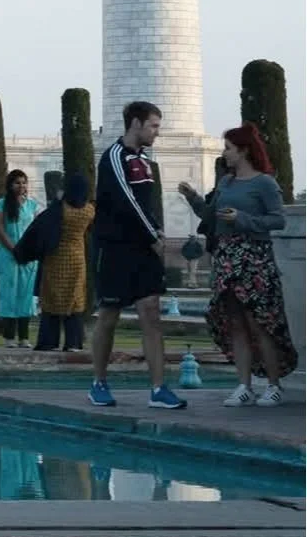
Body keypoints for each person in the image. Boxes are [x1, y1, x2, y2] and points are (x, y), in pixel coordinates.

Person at [177, 124, 297, 406]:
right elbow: (212, 217)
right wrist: (193, 198)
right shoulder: (226, 183)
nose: (225, 154)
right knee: (236, 324)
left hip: (253, 257)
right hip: (227, 257)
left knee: (260, 323)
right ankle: (244, 385)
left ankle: (273, 384)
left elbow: (278, 220)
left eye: (229, 148)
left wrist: (243, 219)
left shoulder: (264, 183)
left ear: (243, 150)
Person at [90, 101, 186, 410]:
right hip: (116, 247)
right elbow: (126, 201)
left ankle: (158, 388)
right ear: (135, 124)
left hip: (143, 247)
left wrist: (157, 231)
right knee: (109, 315)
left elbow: (148, 203)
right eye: (154, 126)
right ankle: (98, 382)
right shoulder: (114, 157)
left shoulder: (144, 160)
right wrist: (155, 235)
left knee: (151, 313)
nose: (157, 132)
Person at [35, 173, 96, 352]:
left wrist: (57, 199)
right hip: (77, 257)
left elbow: (45, 220)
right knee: (75, 299)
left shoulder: (61, 209)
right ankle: (73, 342)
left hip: (56, 257)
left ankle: (49, 341)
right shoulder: (89, 210)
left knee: (52, 298)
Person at [0, 169, 39, 348]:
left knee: (26, 294)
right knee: (8, 293)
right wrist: (14, 249)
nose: (21, 186)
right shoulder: (1, 204)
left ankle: (24, 337)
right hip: (7, 254)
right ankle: (9, 337)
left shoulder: (32, 205)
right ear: (10, 185)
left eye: (24, 182)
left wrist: (28, 250)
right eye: (17, 183)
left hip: (28, 256)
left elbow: (35, 229)